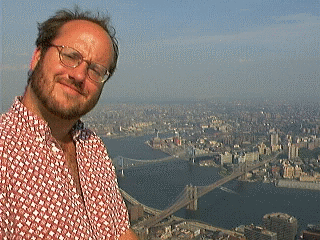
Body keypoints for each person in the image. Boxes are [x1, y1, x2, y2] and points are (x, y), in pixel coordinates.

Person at [0, 7, 138, 239]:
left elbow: (120, 233)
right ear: (37, 57)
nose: (79, 75)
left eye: (96, 70)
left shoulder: (93, 147)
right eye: (70, 56)